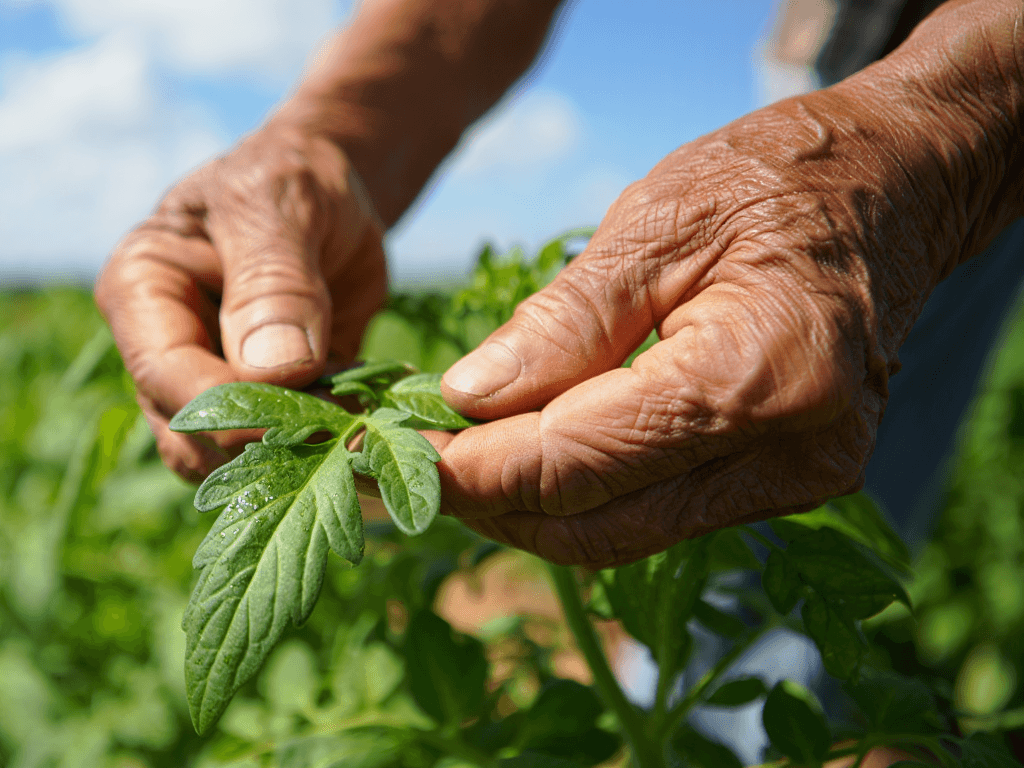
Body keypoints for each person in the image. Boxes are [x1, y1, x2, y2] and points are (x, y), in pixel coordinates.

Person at [96, 0, 1023, 568]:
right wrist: (332, 138)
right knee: (762, 416)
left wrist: (952, 128)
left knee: (782, 456)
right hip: (858, 37)